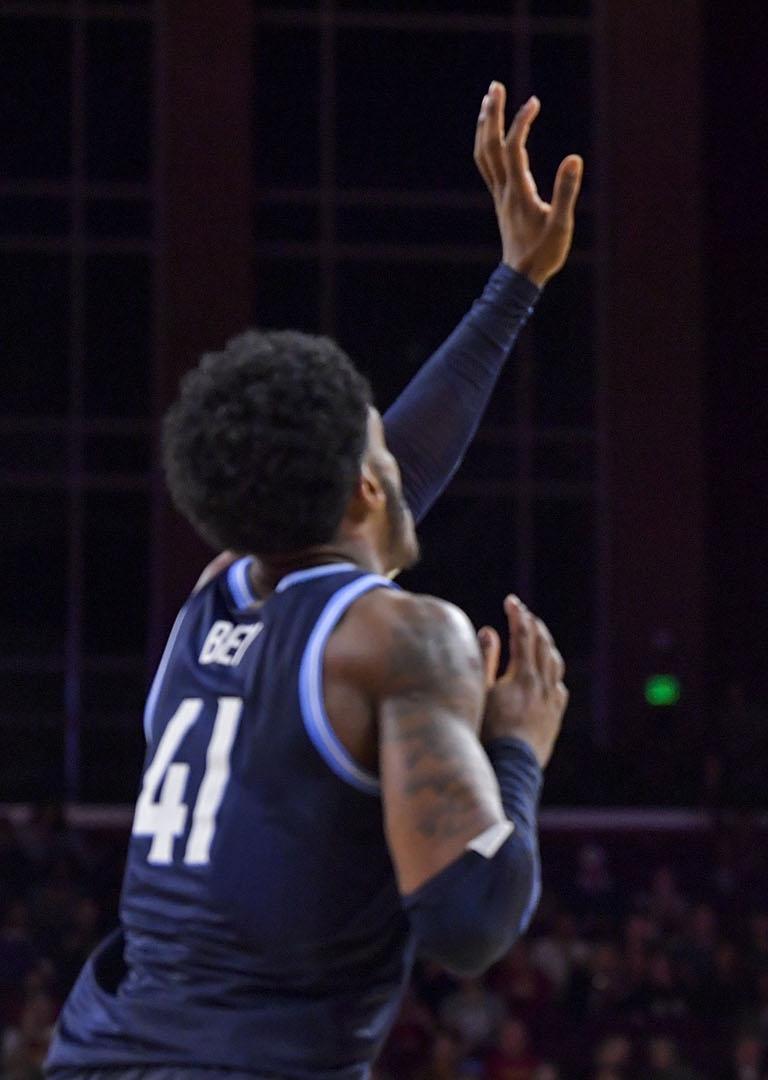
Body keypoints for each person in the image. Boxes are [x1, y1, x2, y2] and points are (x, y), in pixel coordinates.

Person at [45, 81, 580, 1079]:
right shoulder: (402, 638)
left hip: (100, 1050)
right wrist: (518, 749)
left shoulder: (216, 595)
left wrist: (515, 285)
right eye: (378, 451)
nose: (396, 461)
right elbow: (468, 922)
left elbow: (392, 476)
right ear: (365, 491)